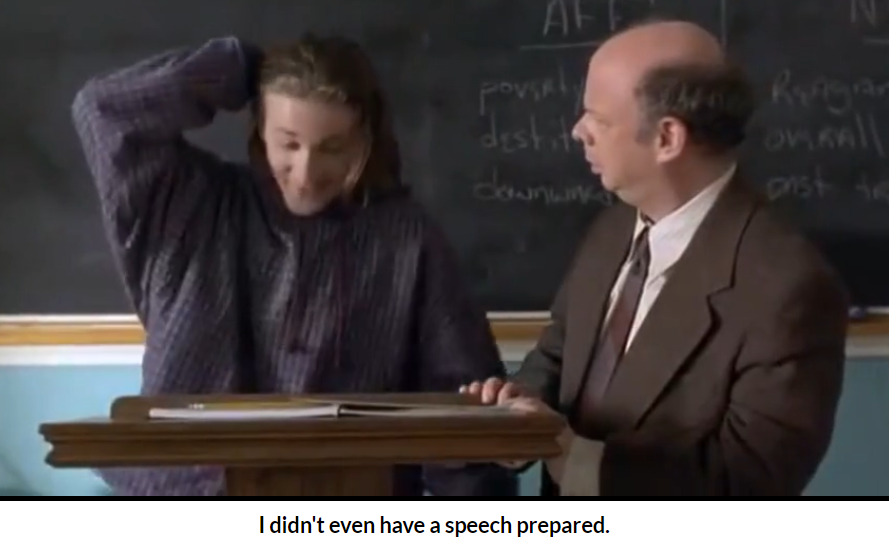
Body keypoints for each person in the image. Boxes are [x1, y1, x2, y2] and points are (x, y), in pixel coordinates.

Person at [71, 34, 515, 496]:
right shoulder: (188, 203)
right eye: (289, 144)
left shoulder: (407, 239)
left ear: (364, 139)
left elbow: (463, 411)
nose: (305, 175)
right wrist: (237, 69)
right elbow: (102, 111)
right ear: (260, 128)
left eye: (332, 148)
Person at [462, 19, 850, 496]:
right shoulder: (613, 229)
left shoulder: (788, 289)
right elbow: (557, 357)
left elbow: (749, 481)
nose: (578, 131)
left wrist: (569, 454)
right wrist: (516, 411)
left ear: (667, 138)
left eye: (599, 119)